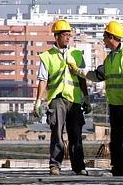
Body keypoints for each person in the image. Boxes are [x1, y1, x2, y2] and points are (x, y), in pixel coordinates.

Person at [68, 20, 123, 177]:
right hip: (115, 104)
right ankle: (118, 168)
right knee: (116, 139)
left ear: (111, 37)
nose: (104, 40)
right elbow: (97, 75)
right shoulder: (111, 58)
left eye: (105, 37)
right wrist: (78, 71)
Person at [33, 19, 91, 176]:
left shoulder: (77, 54)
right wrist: (39, 100)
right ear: (56, 36)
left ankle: (79, 166)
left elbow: (82, 78)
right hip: (57, 98)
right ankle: (55, 165)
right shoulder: (47, 56)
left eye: (69, 35)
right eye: (64, 35)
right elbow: (43, 79)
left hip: (75, 99)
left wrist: (86, 97)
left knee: (76, 135)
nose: (67, 38)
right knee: (57, 133)